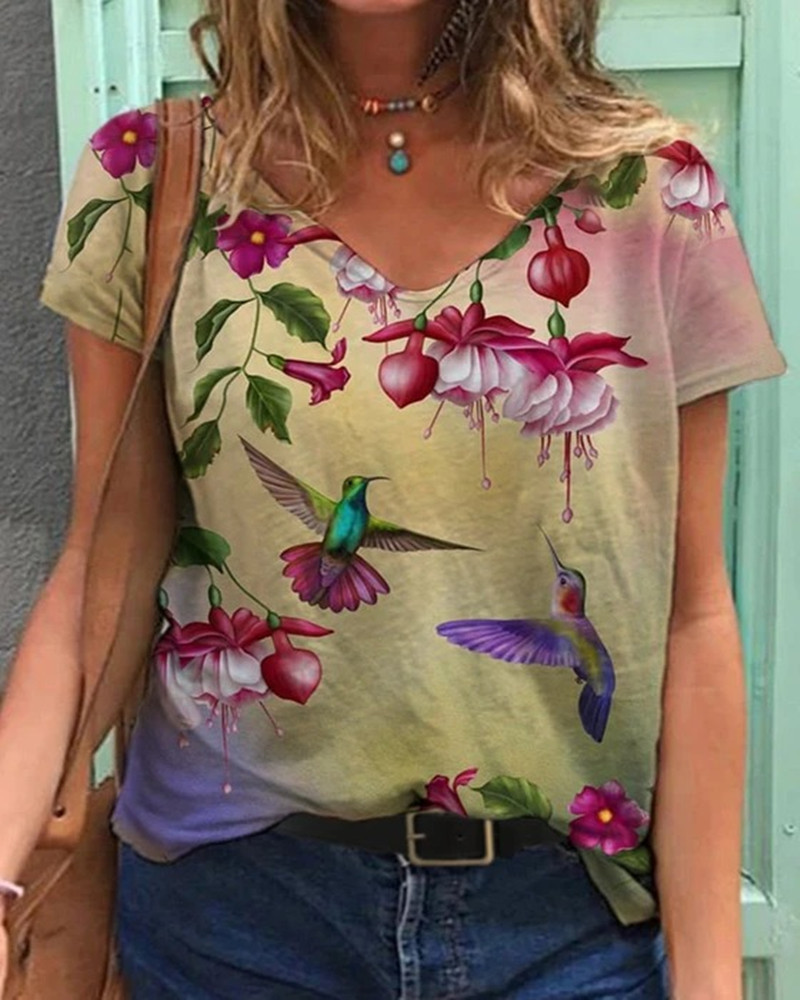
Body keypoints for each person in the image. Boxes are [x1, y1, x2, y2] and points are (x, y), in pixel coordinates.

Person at [0, 0, 788, 997]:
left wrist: (711, 979)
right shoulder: (155, 180)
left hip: (562, 929)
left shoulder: (650, 192)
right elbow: (97, 573)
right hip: (235, 923)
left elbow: (692, 614)